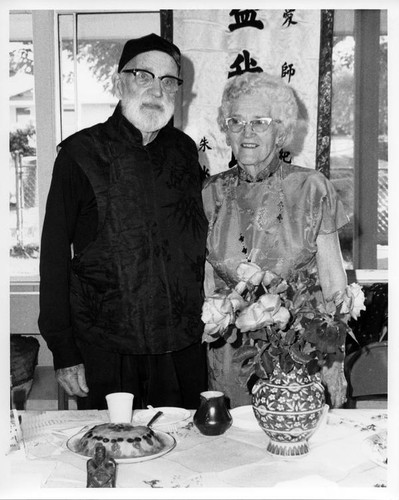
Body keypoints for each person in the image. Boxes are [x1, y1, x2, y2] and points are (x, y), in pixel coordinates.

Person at [38, 33, 208, 410]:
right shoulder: (80, 154)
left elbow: (196, 244)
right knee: (109, 455)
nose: (156, 89)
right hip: (105, 348)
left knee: (188, 461)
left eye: (168, 81)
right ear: (120, 83)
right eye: (143, 76)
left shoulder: (184, 153)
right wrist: (64, 351)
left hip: (178, 346)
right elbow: (52, 259)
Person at [202, 72, 349, 408]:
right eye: (236, 121)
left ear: (280, 130)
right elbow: (207, 281)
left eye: (260, 122)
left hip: (303, 353)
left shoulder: (313, 188)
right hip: (231, 359)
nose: (247, 132)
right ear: (227, 131)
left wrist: (335, 360)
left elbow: (333, 281)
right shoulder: (209, 193)